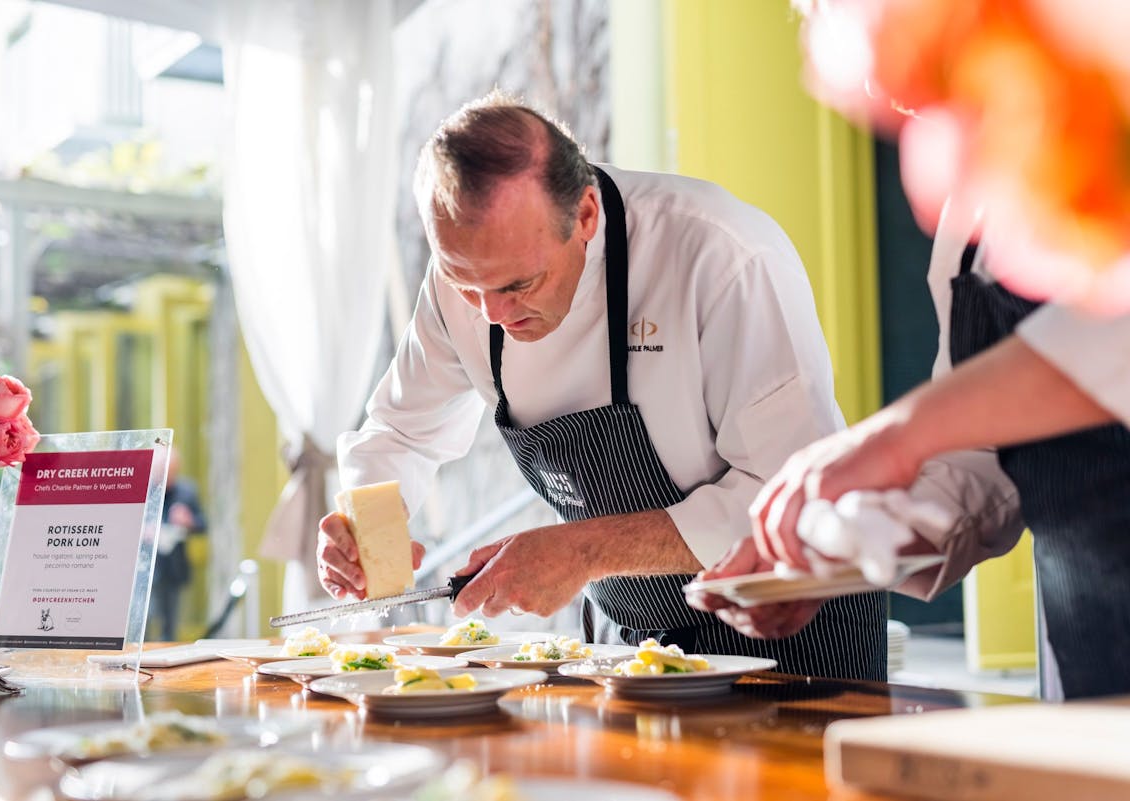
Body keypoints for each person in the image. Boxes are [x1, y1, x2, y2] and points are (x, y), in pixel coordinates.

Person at [316, 92, 887, 680]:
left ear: (586, 214)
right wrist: (365, 531)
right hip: (636, 639)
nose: (490, 313)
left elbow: (788, 499)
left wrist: (581, 550)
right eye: (464, 283)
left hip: (788, 623)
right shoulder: (466, 278)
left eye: (519, 284)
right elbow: (401, 433)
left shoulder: (722, 254)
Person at [690, 195, 1130, 698]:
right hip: (1090, 632)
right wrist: (839, 548)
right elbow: (984, 453)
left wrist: (899, 434)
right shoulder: (966, 215)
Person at [149, 450, 207, 641]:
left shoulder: (186, 491)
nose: (167, 477)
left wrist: (189, 521)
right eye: (163, 472)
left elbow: (203, 525)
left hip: (173, 568)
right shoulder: (142, 491)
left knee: (170, 624)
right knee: (145, 623)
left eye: (172, 472)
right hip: (145, 568)